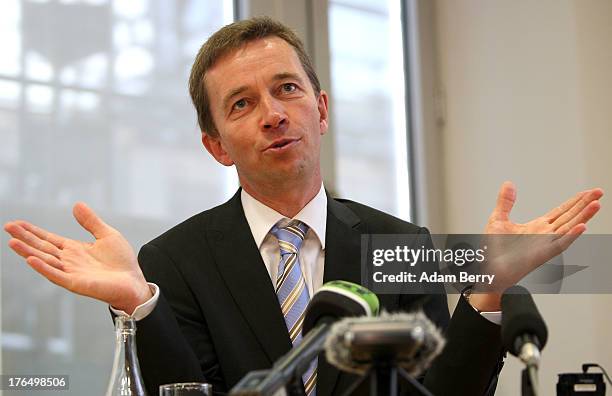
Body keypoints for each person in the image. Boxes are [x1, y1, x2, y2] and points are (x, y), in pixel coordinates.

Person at [3, 17, 603, 396]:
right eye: (240, 104)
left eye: (286, 89)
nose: (272, 113)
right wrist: (140, 305)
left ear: (320, 109)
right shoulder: (172, 263)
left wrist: (489, 291)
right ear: (215, 146)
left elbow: (446, 392)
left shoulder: (400, 244)